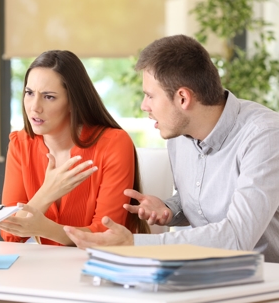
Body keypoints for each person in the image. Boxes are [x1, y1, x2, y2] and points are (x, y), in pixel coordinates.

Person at [64, 34, 279, 263]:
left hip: (265, 280)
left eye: (150, 96)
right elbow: (205, 201)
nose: (143, 106)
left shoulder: (264, 136)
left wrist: (134, 244)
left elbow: (237, 238)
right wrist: (170, 208)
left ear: (183, 98)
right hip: (206, 272)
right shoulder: (179, 134)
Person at [0, 50, 149, 246]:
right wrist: (46, 193)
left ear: (72, 101)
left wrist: (44, 228)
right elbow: (10, 235)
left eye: (49, 97)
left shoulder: (113, 144)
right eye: (29, 93)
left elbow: (107, 235)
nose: (34, 107)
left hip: (100, 264)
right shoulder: (20, 144)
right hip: (43, 268)